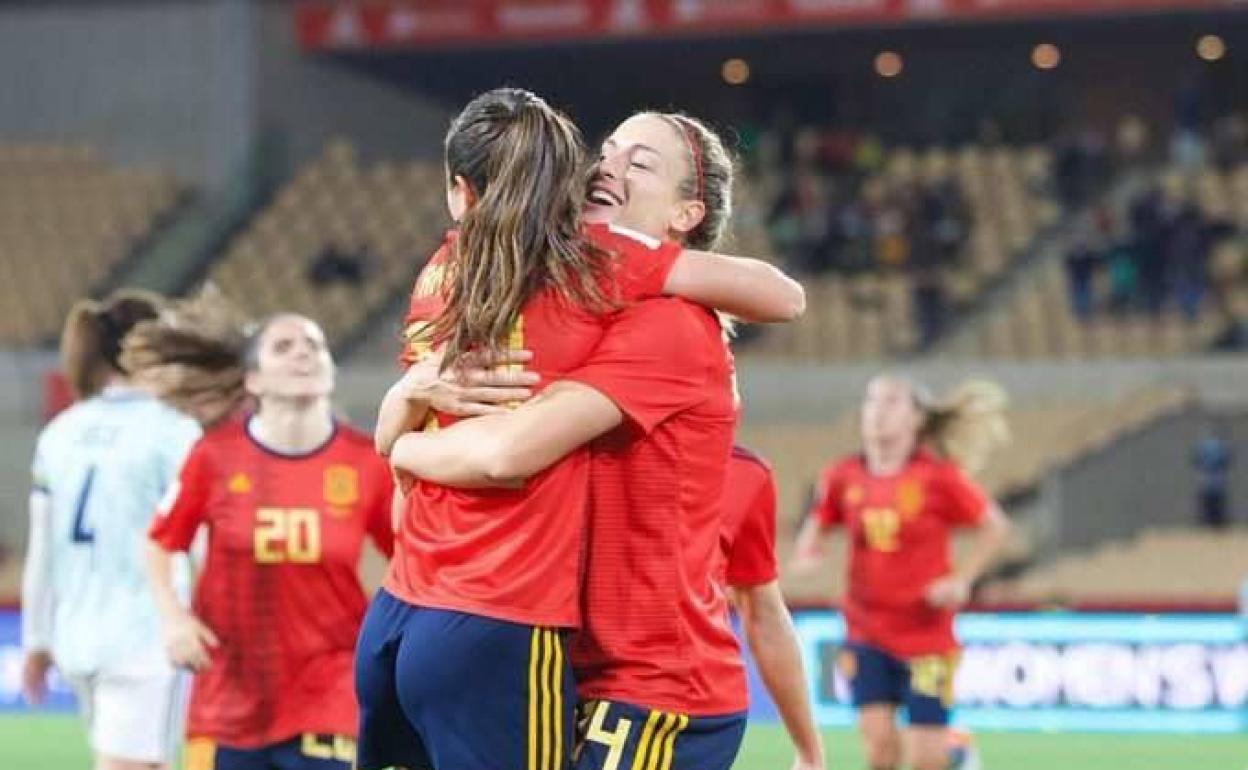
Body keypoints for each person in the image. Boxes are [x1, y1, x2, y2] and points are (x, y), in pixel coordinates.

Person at [358, 89, 801, 770]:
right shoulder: (550, 279)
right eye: (608, 148)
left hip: (650, 686)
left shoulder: (666, 322)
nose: (608, 165)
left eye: (641, 163)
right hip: (561, 651)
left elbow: (507, 451)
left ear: (688, 212)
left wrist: (400, 439)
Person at [141, 300, 395, 770]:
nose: (303, 353)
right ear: (254, 380)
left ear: (330, 370)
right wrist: (172, 618)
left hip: (329, 693)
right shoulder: (214, 457)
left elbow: (408, 555)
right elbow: (161, 541)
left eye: (314, 345)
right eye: (283, 346)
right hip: (227, 700)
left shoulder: (367, 464)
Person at [20, 289, 201, 770]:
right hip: (147, 638)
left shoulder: (61, 431)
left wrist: (37, 637)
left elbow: (43, 549)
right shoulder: (172, 430)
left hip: (77, 635)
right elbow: (198, 538)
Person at [793, 375, 1011, 770]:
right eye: (871, 401)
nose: (878, 411)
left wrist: (962, 580)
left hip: (927, 636)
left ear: (916, 419)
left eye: (892, 402)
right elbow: (819, 520)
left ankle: (956, 752)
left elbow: (994, 525)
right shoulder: (842, 476)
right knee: (878, 750)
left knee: (925, 760)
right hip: (865, 630)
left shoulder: (938, 478)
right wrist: (809, 548)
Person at [720, 446, 824, 770]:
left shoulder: (745, 474)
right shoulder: (596, 444)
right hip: (579, 685)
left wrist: (810, 751)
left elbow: (763, 610)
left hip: (691, 707)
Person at [1193, 420, 1234, 529]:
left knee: (1209, 507)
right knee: (1216, 507)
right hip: (1216, 482)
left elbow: (1196, 460)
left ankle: (1209, 525)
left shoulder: (1204, 446)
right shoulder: (1220, 446)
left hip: (1208, 481)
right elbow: (1226, 460)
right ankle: (1216, 525)